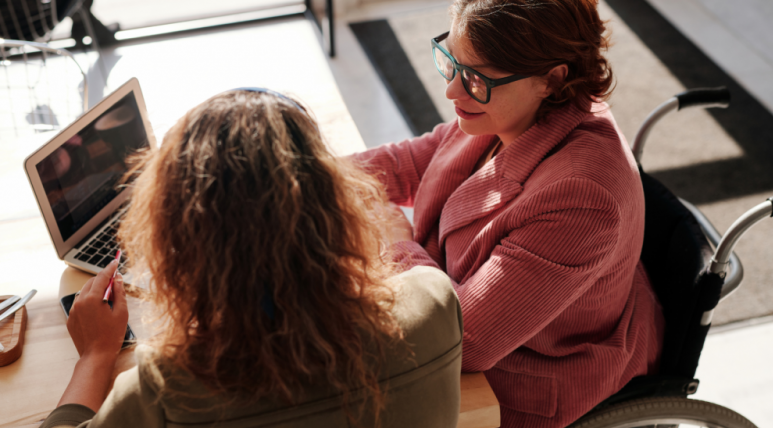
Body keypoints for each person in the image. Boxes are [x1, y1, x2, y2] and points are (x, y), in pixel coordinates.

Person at [41, 89, 463, 428]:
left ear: (179, 243)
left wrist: (96, 355)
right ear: (337, 203)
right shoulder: (435, 303)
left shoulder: (166, 390)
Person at [352, 1, 664, 427]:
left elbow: (466, 341)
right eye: (451, 62)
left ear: (552, 79)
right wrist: (300, 172)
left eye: (476, 78)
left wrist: (396, 240)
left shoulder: (581, 197)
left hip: (520, 382)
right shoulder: (508, 108)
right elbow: (411, 161)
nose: (452, 91)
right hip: (461, 321)